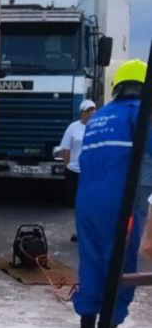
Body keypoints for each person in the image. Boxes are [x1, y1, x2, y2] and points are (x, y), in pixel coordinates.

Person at [73, 59, 148, 328]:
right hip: (120, 204)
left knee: (91, 266)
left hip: (86, 203)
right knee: (120, 269)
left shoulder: (99, 117)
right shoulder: (139, 113)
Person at [56, 99, 96, 241]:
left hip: (90, 172)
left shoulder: (97, 127)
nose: (91, 113)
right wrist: (66, 166)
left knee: (90, 202)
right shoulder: (73, 127)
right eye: (88, 110)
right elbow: (66, 149)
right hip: (74, 171)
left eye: (93, 110)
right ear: (81, 113)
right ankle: (80, 231)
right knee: (77, 204)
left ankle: (89, 231)